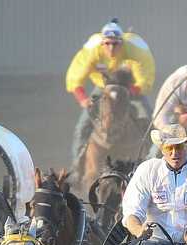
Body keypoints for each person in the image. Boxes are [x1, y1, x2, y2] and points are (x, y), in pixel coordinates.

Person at [65, 18, 155, 171]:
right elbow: (74, 78)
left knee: (152, 121)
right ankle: (77, 167)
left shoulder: (135, 49)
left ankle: (155, 159)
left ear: (122, 43)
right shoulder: (91, 51)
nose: (111, 47)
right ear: (102, 43)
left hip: (131, 89)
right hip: (103, 88)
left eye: (116, 43)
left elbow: (145, 80)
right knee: (82, 126)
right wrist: (83, 99)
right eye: (107, 43)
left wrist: (129, 92)